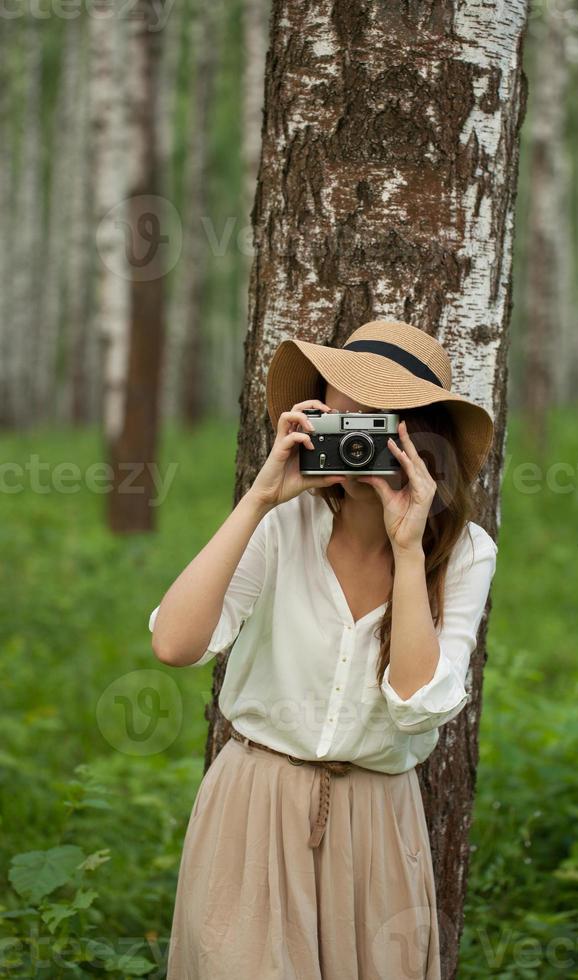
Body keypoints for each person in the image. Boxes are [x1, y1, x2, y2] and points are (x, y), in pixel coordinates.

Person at [149, 319, 499, 980]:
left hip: (376, 830)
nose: (352, 438)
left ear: (419, 438)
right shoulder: (283, 525)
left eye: (374, 423)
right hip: (254, 810)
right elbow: (173, 643)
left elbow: (417, 705)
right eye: (339, 417)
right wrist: (258, 498)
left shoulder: (466, 554)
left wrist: (405, 545)